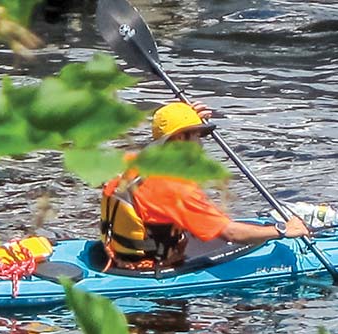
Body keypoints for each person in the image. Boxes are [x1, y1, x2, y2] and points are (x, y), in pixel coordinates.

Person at [99, 102, 309, 269]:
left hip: (118, 254)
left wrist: (184, 117)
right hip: (151, 265)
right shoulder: (175, 189)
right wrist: (282, 230)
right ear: (180, 138)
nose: (200, 143)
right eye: (197, 135)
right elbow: (231, 234)